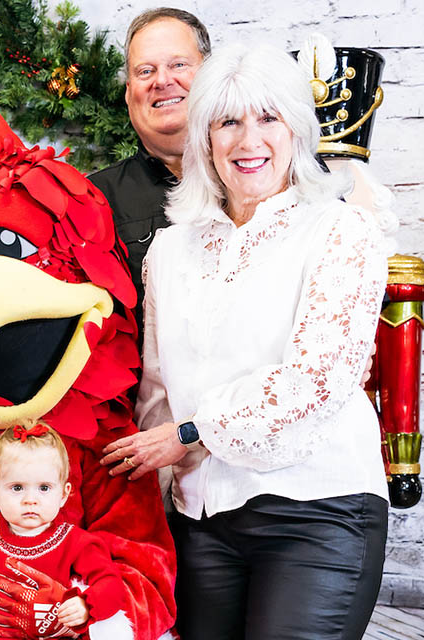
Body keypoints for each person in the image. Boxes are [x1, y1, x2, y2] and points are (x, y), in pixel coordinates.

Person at [101, 44, 393, 639]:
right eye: (227, 121)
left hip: (317, 509)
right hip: (201, 516)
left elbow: (317, 380)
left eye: (268, 118)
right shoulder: (171, 249)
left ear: (296, 128)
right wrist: (144, 508)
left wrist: (190, 434)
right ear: (204, 138)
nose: (247, 139)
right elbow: (158, 391)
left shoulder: (340, 229)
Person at [0, 425, 125, 640]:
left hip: (44, 632)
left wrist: (86, 605)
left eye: (44, 488)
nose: (30, 499)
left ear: (63, 495)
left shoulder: (77, 543)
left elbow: (112, 584)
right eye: (17, 487)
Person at [88, 8, 210, 313]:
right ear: (129, 93)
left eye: (178, 64)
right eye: (145, 71)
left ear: (213, 74)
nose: (162, 80)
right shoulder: (94, 199)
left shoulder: (264, 172)